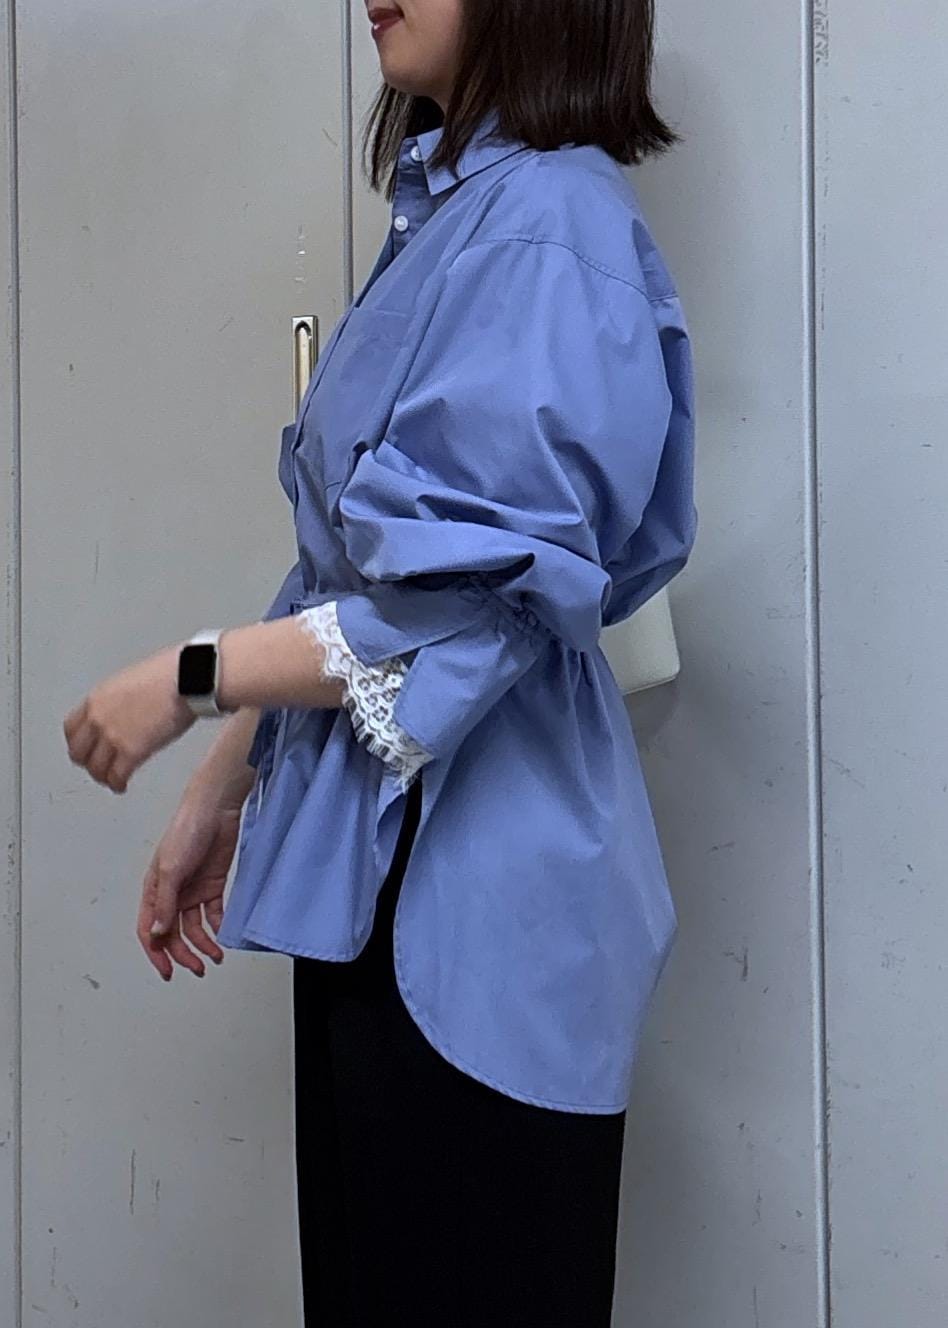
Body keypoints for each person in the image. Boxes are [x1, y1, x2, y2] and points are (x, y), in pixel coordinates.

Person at [63, 0, 698, 1322]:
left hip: (479, 938)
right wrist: (225, 788)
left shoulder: (549, 227)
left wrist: (189, 677)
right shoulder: (456, 214)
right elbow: (363, 582)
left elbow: (468, 611)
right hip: (386, 894)